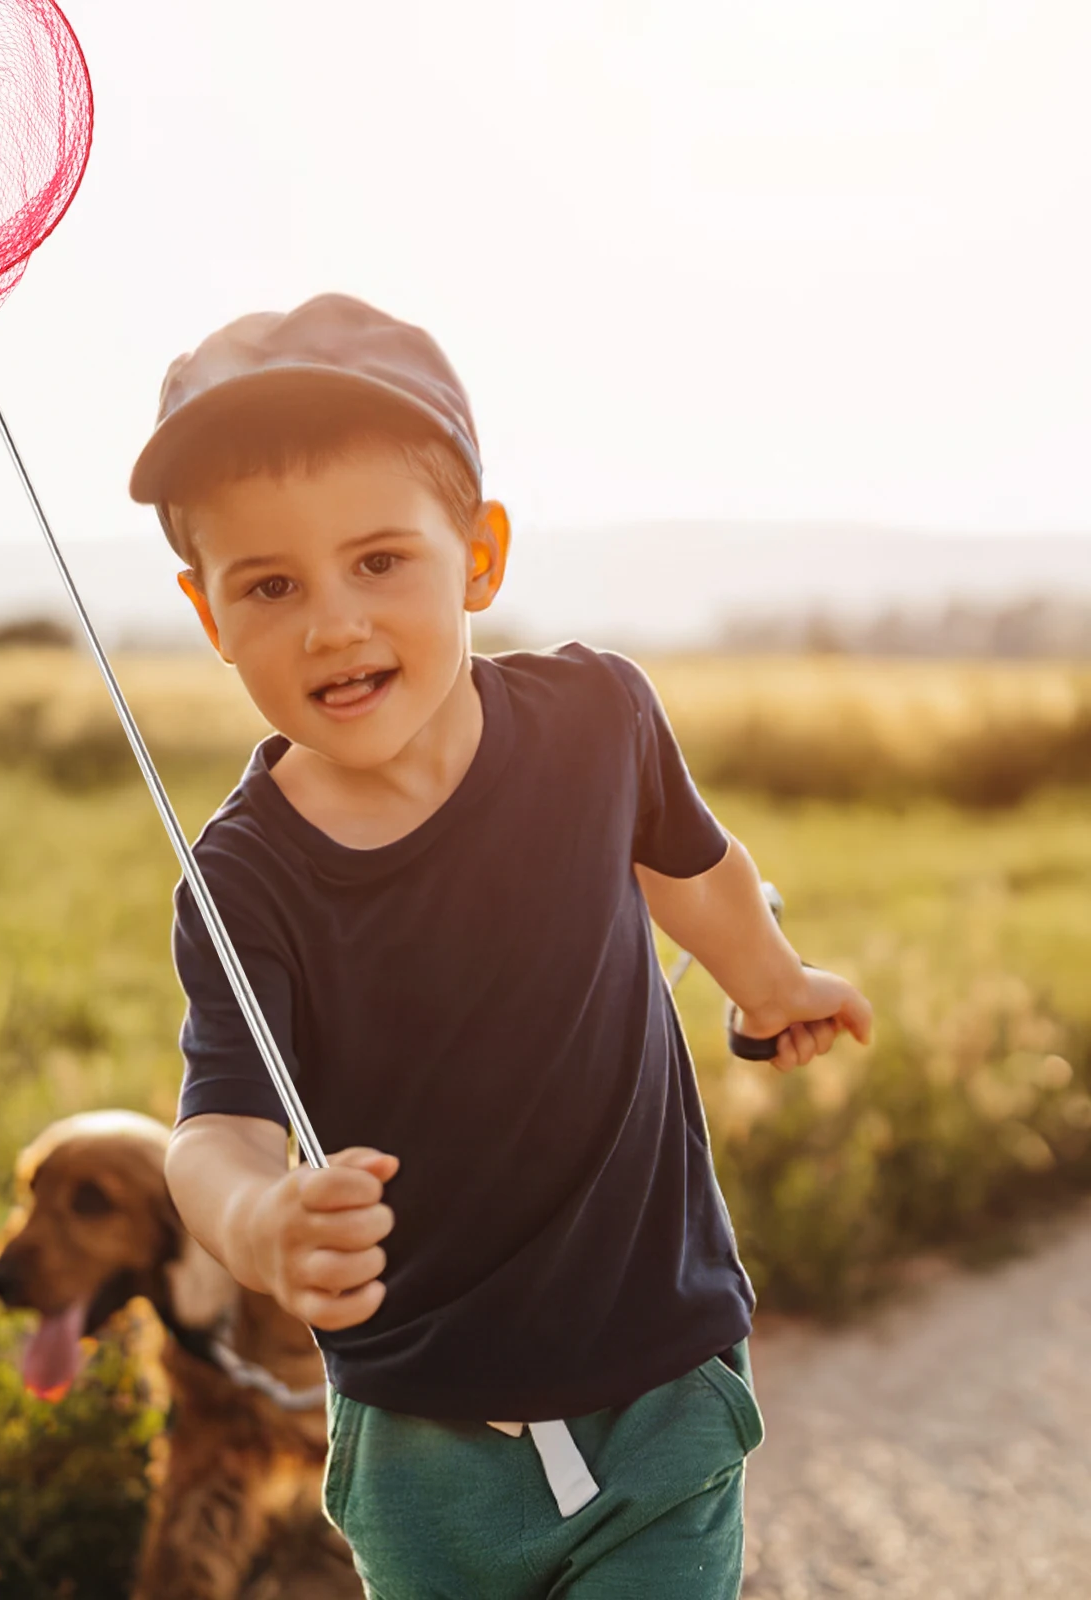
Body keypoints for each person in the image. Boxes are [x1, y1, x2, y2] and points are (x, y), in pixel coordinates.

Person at [127, 292, 872, 1598]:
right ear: (208, 615)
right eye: (271, 585)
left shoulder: (598, 720)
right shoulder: (241, 878)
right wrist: (260, 1222)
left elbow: (695, 874)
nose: (334, 624)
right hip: (424, 1443)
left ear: (478, 553)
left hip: (658, 1382)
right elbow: (217, 1133)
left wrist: (770, 986)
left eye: (380, 561)